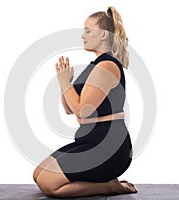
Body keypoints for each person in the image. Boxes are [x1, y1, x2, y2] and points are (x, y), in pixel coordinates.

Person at [33, 6, 137, 198]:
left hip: (110, 147)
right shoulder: (94, 66)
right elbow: (69, 109)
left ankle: (109, 187)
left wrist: (65, 84)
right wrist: (65, 83)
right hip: (90, 140)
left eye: (88, 30)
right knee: (38, 174)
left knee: (49, 184)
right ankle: (105, 181)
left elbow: (83, 111)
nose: (83, 35)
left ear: (104, 34)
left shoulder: (107, 65)